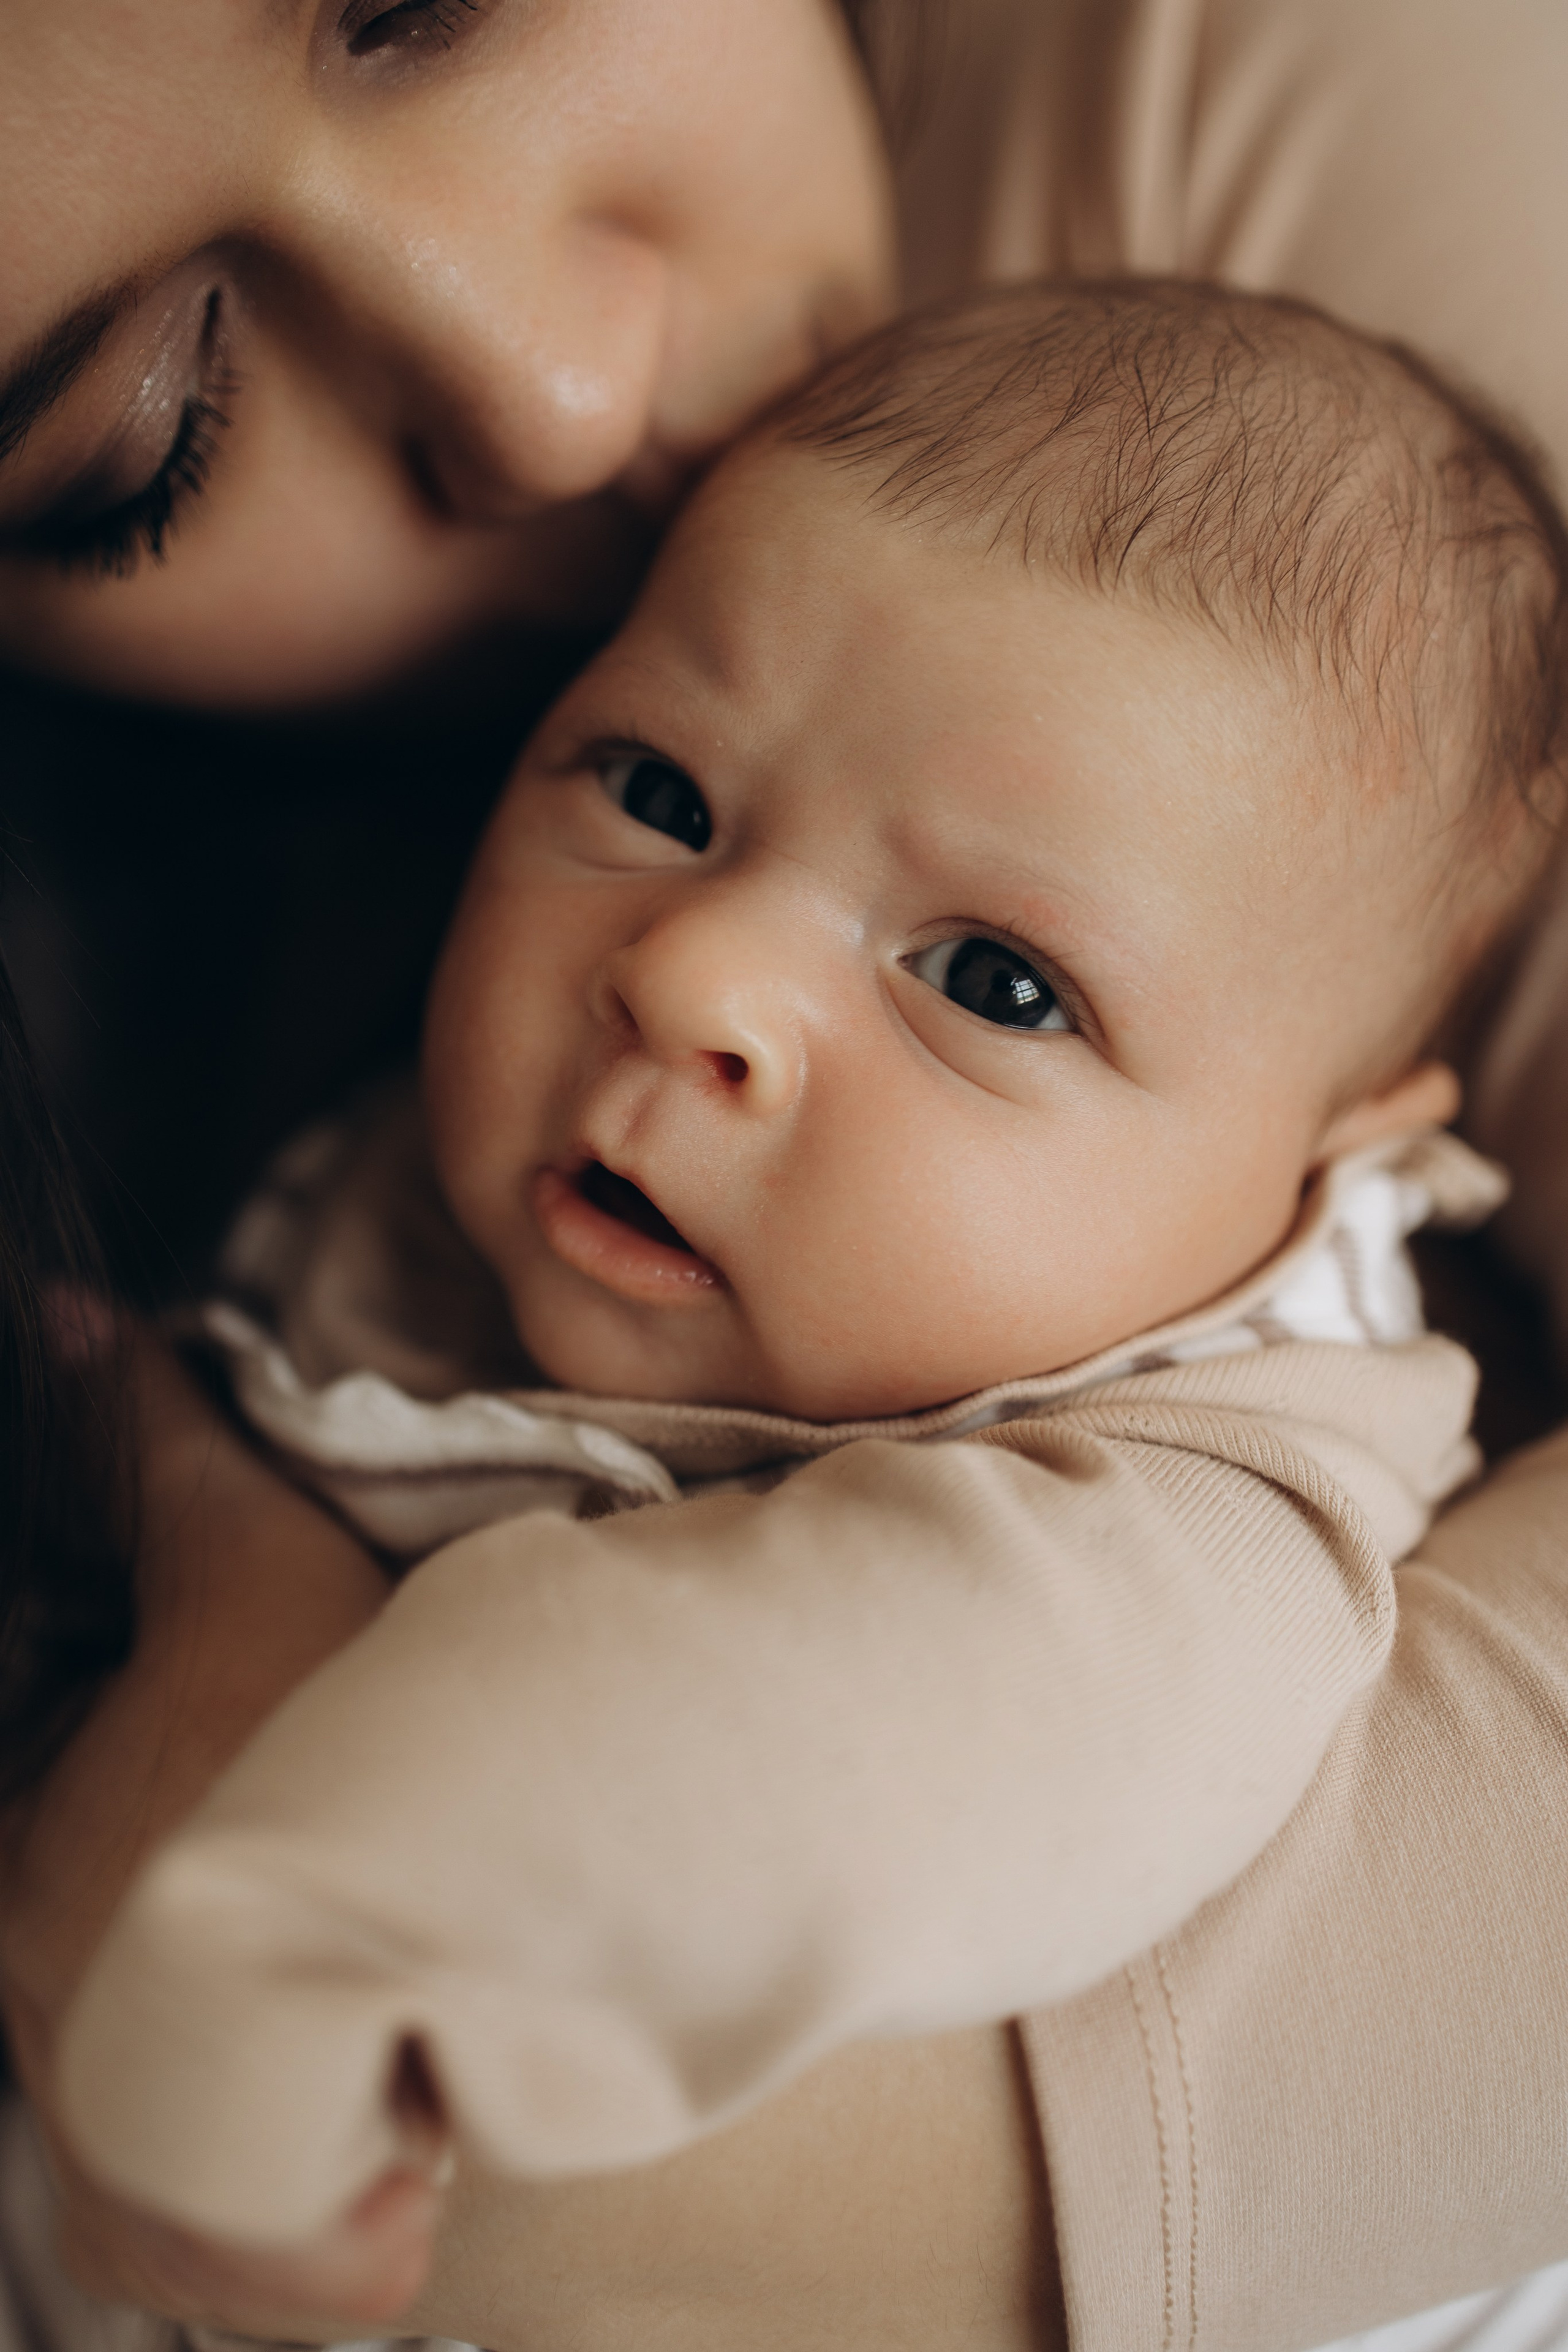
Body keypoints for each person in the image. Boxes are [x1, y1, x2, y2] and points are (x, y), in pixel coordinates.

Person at [4, 4, 1568, 2348]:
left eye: (1002, 986)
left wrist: (299, 1936)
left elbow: (813, 1737)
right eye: (649, 791)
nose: (693, 974)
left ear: (1338, 1167)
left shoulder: (1172, 1522)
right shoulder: (419, 1147)